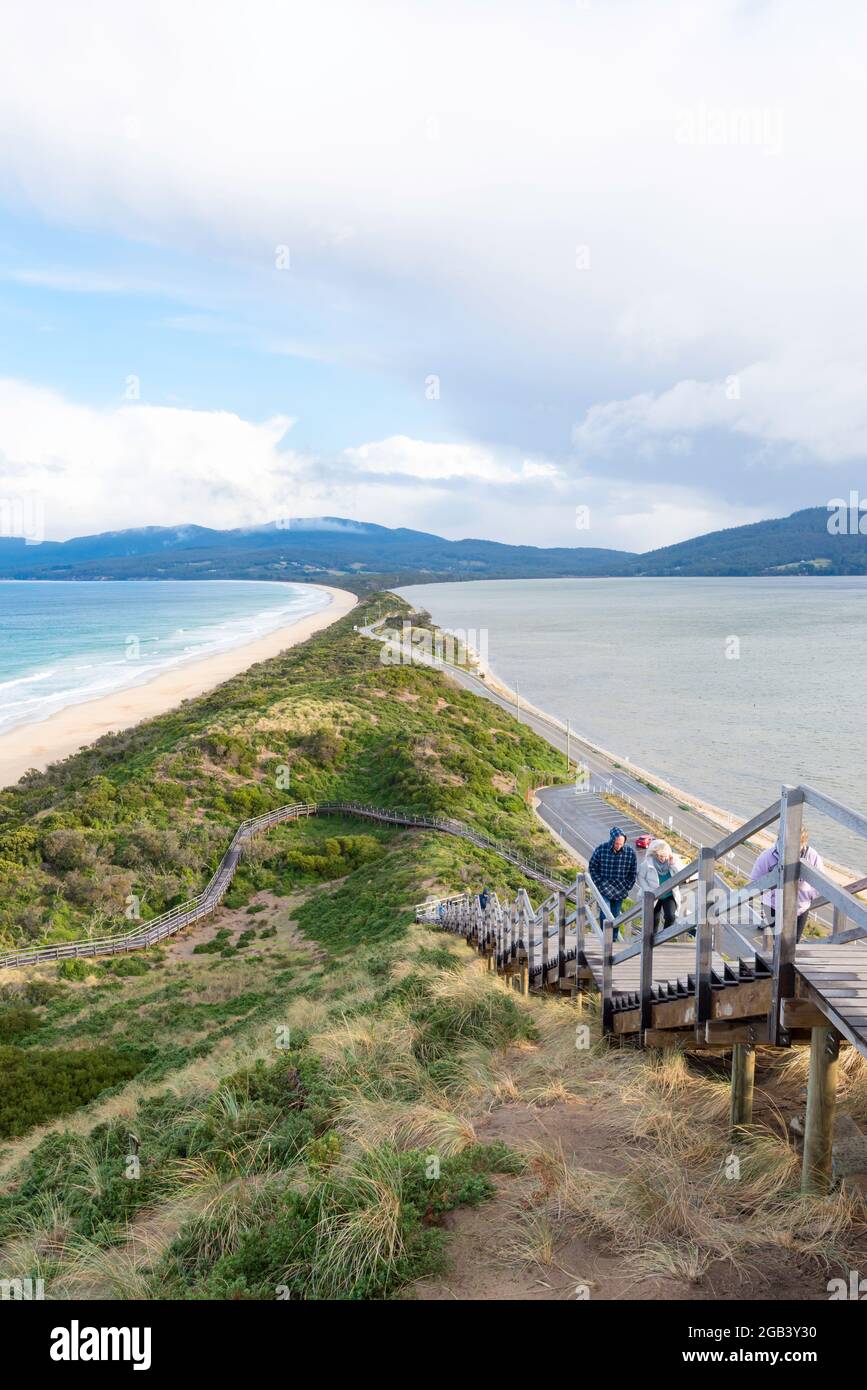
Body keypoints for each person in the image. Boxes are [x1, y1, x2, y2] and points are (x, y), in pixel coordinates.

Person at [749, 827, 824, 943]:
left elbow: (821, 883)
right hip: (773, 906)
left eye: (796, 845)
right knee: (779, 943)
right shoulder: (768, 857)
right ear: (780, 839)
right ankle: (777, 959)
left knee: (794, 943)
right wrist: (772, 888)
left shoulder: (812, 856)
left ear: (803, 843)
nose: (790, 849)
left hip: (800, 908)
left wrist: (807, 894)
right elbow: (754, 881)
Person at [588, 826, 637, 940]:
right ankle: (604, 938)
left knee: (615, 915)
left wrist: (628, 885)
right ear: (612, 840)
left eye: (621, 843)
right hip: (604, 887)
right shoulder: (601, 849)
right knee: (605, 913)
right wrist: (599, 882)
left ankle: (613, 939)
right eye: (617, 843)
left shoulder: (630, 853)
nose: (619, 846)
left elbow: (633, 872)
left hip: (620, 889)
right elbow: (592, 866)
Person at [636, 839, 682, 931]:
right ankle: (653, 941)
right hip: (654, 895)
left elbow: (681, 875)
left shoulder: (673, 861)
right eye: (660, 856)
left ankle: (664, 938)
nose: (663, 859)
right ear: (656, 854)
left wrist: (673, 864)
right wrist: (648, 889)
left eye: (665, 856)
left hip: (669, 894)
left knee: (670, 917)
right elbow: (640, 877)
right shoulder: (647, 863)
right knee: (653, 920)